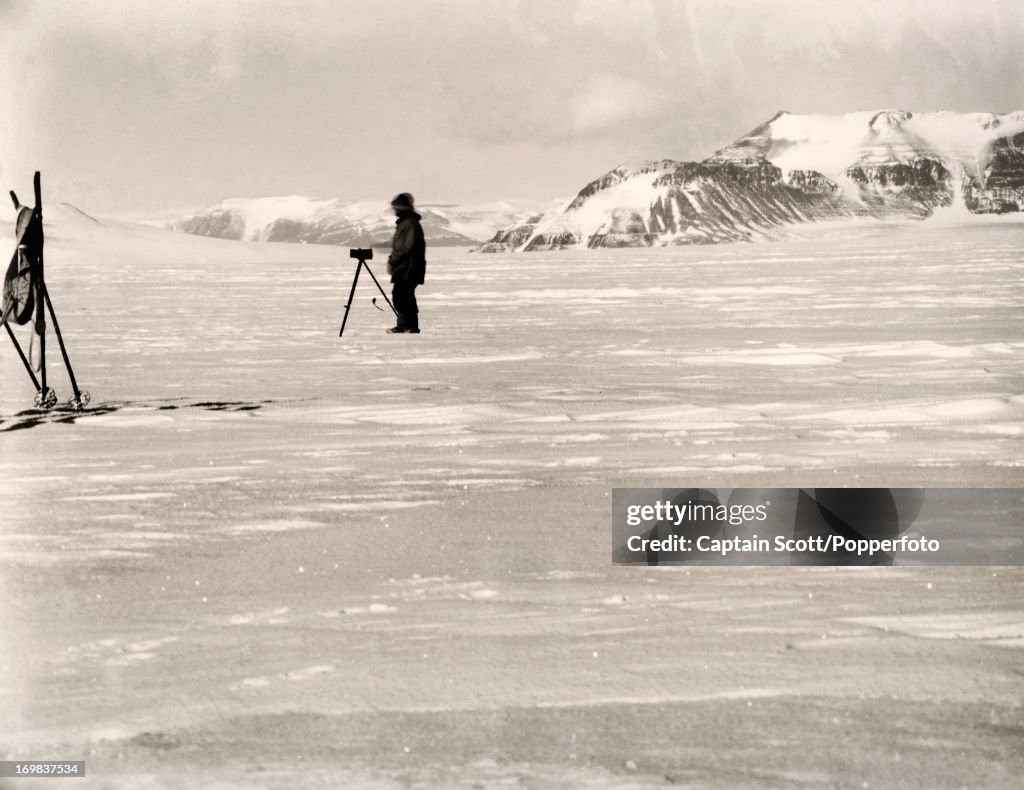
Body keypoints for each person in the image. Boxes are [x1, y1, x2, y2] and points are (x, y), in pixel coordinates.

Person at [385, 192, 426, 334]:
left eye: (396, 207)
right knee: (404, 295)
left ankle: (406, 326)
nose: (394, 210)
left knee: (402, 295)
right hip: (409, 267)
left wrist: (393, 261)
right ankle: (409, 326)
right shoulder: (408, 223)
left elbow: (404, 248)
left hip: (408, 268)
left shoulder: (408, 224)